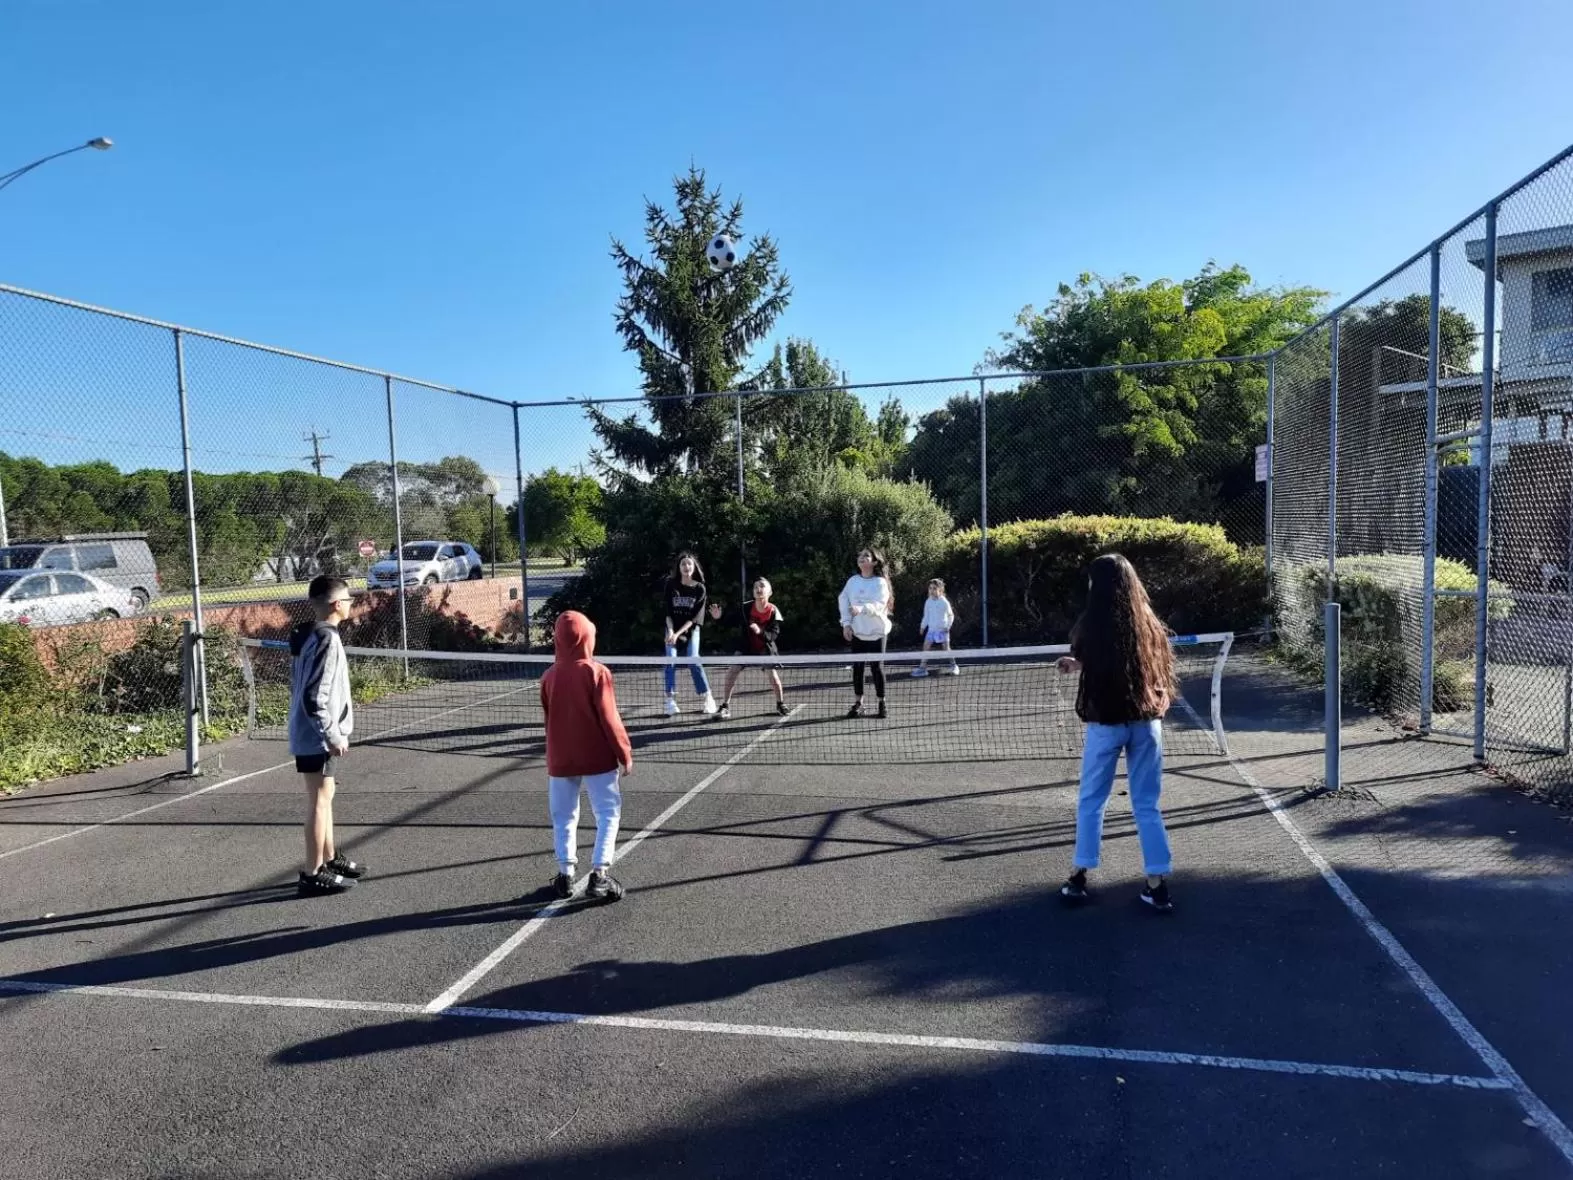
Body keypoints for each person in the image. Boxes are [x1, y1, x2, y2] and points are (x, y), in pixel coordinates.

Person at [1056, 553, 1177, 913]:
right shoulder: (1149, 623)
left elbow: (1089, 655)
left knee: (1092, 800)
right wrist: (1077, 664)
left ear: (1099, 584)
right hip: (1146, 723)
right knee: (1146, 804)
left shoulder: (1091, 623)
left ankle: (1079, 876)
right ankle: (1157, 885)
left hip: (1106, 724)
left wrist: (1076, 662)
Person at [542, 610, 634, 903]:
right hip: (597, 757)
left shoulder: (548, 677)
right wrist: (624, 752)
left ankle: (565, 875)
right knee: (607, 813)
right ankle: (600, 874)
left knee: (564, 817)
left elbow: (549, 720)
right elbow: (610, 719)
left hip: (561, 759)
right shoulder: (597, 673)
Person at [288, 575, 367, 897]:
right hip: (315, 736)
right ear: (336, 605)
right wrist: (332, 735)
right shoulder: (326, 640)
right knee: (318, 802)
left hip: (312, 733)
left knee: (326, 798)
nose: (351, 604)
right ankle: (312, 872)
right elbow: (313, 696)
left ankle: (330, 858)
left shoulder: (312, 633)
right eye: (348, 599)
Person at [707, 577, 788, 720]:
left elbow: (774, 634)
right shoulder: (746, 608)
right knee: (732, 672)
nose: (758, 589)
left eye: (762, 586)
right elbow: (730, 620)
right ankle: (725, 706)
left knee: (773, 676)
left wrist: (760, 632)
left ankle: (780, 704)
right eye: (756, 587)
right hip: (746, 646)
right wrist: (719, 617)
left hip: (764, 647)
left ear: (770, 592)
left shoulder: (773, 611)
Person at [838, 547, 894, 719]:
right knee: (858, 668)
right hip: (858, 632)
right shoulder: (853, 581)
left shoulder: (880, 583)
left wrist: (862, 608)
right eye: (860, 555)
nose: (862, 558)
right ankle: (859, 703)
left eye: (866, 556)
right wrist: (846, 624)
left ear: (874, 562)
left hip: (878, 632)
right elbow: (843, 600)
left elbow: (880, 604)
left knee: (877, 668)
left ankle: (881, 702)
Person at [662, 551, 717, 717]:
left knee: (693, 660)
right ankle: (670, 701)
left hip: (691, 629)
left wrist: (677, 634)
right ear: (679, 567)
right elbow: (667, 612)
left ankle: (708, 697)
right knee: (670, 661)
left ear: (694, 568)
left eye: (689, 564)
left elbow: (694, 619)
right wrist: (671, 631)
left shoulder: (700, 589)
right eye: (683, 564)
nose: (686, 567)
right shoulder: (670, 585)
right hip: (672, 627)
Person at [911, 578, 959, 677]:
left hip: (942, 630)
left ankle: (954, 666)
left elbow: (951, 615)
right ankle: (922, 669)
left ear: (940, 590)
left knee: (946, 648)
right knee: (926, 647)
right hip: (931, 630)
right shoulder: (928, 602)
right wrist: (922, 627)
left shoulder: (944, 602)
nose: (932, 591)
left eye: (934, 588)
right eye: (930, 588)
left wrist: (948, 626)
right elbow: (926, 616)